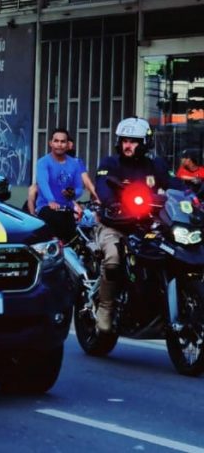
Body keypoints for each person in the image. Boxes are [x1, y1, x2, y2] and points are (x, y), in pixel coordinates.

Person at [93, 117, 174, 333]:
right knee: (113, 259)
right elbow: (102, 186)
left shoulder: (155, 165)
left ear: (145, 142)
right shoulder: (110, 163)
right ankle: (106, 308)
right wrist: (111, 203)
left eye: (134, 141)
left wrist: (191, 193)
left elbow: (173, 184)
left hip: (149, 225)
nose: (128, 145)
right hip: (116, 224)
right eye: (125, 140)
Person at [32, 128, 88, 241]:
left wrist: (72, 194)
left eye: (63, 142)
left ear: (68, 145)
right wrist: (51, 200)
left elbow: (79, 188)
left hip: (67, 210)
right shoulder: (43, 162)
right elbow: (43, 183)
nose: (59, 144)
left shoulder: (75, 164)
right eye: (56, 141)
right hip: (47, 209)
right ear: (50, 143)